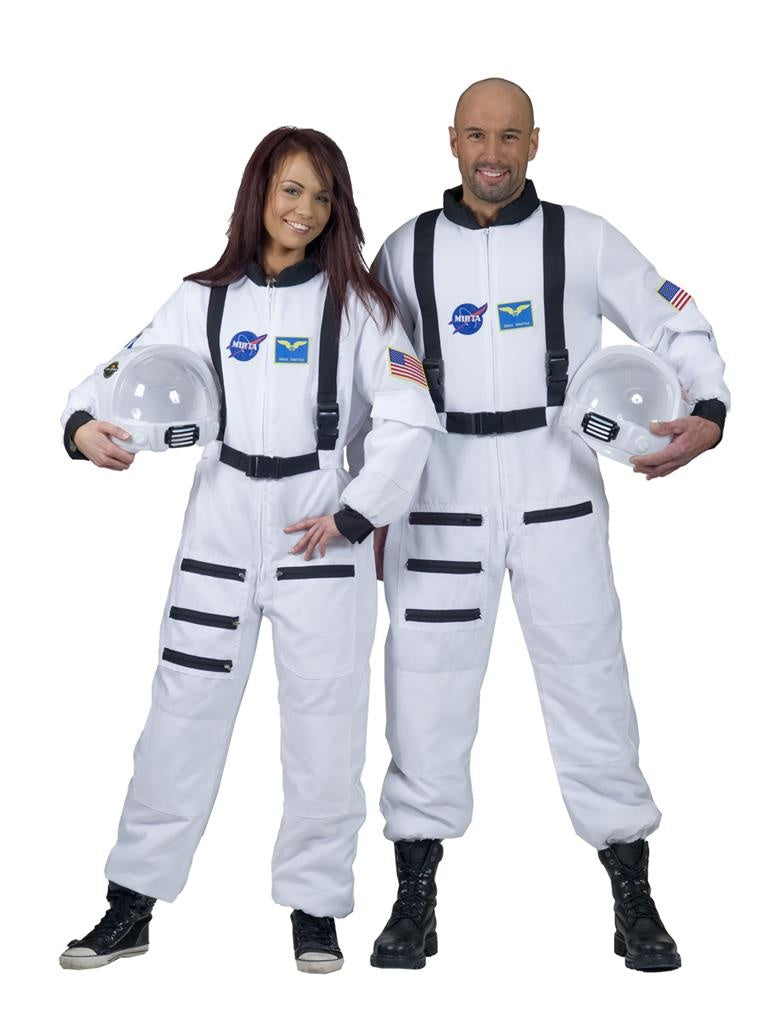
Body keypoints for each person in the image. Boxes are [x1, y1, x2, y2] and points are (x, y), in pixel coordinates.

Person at [58, 127, 442, 973]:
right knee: (180, 717)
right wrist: (83, 426)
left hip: (320, 534)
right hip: (221, 526)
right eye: (289, 190)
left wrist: (355, 514)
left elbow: (409, 419)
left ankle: (316, 908)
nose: (304, 210)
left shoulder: (364, 309)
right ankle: (131, 904)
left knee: (325, 729)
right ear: (258, 193)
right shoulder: (202, 300)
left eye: (321, 196)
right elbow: (116, 377)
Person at [368, 79, 729, 972]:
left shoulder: (583, 239)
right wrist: (365, 500)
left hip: (557, 491)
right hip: (438, 499)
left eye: (509, 136)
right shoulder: (405, 250)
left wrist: (709, 409)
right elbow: (365, 380)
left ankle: (631, 891)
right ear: (451, 140)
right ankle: (414, 895)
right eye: (476, 135)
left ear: (534, 143)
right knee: (424, 689)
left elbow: (675, 320)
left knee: (590, 684)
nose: (491, 154)